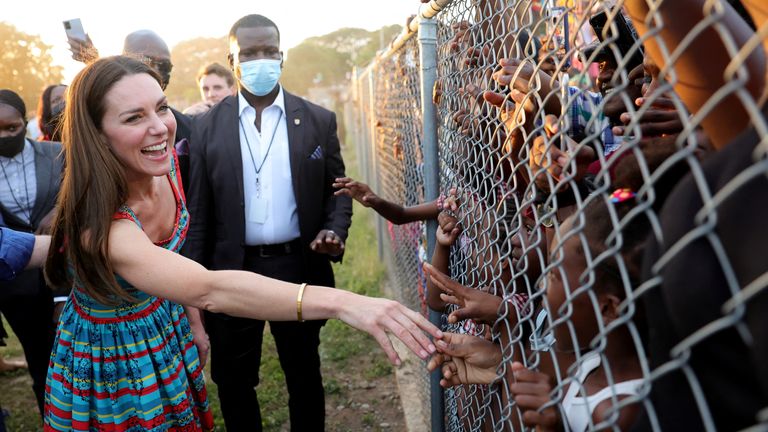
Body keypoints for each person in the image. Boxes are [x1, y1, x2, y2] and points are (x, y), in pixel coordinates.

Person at [43, 55, 441, 431]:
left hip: (165, 328)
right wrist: (344, 302)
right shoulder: (106, 229)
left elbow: (176, 267)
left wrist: (192, 323)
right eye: (134, 117)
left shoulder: (162, 169)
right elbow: (207, 287)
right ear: (95, 134)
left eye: (162, 108)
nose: (161, 127)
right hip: (115, 358)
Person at [184, 14, 354, 431]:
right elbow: (199, 213)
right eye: (250, 53)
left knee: (303, 373)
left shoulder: (317, 119)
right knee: (234, 380)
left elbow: (340, 191)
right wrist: (195, 284)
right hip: (231, 271)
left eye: (269, 51)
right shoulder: (206, 128)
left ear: (282, 55)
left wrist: (335, 229)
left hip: (297, 266)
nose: (261, 60)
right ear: (233, 58)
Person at [0, 89, 62, 416]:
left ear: (25, 122)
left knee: (78, 358)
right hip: (16, 285)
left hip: (66, 277)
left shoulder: (57, 152)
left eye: (11, 128)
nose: (4, 136)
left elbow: (83, 193)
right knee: (41, 363)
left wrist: (60, 211)